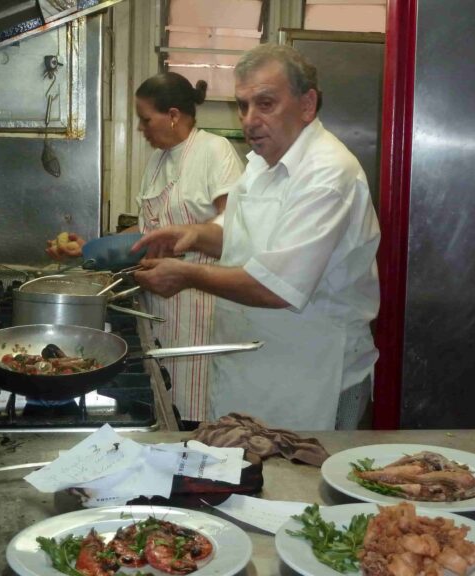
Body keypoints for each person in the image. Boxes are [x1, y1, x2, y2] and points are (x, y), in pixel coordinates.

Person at [131, 44, 380, 431]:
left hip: (312, 377)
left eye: (265, 103)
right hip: (254, 368)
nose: (249, 119)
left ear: (307, 103)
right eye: (243, 105)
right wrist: (194, 235)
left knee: (301, 485)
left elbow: (276, 287)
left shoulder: (328, 174)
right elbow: (236, 233)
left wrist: (186, 275)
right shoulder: (262, 165)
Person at [48, 72, 243, 426]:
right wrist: (90, 248)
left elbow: (234, 230)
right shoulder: (157, 161)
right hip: (158, 304)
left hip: (203, 306)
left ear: (172, 114)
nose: (140, 128)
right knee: (167, 404)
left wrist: (193, 242)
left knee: (199, 415)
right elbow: (147, 232)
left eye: (145, 119)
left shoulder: (215, 152)